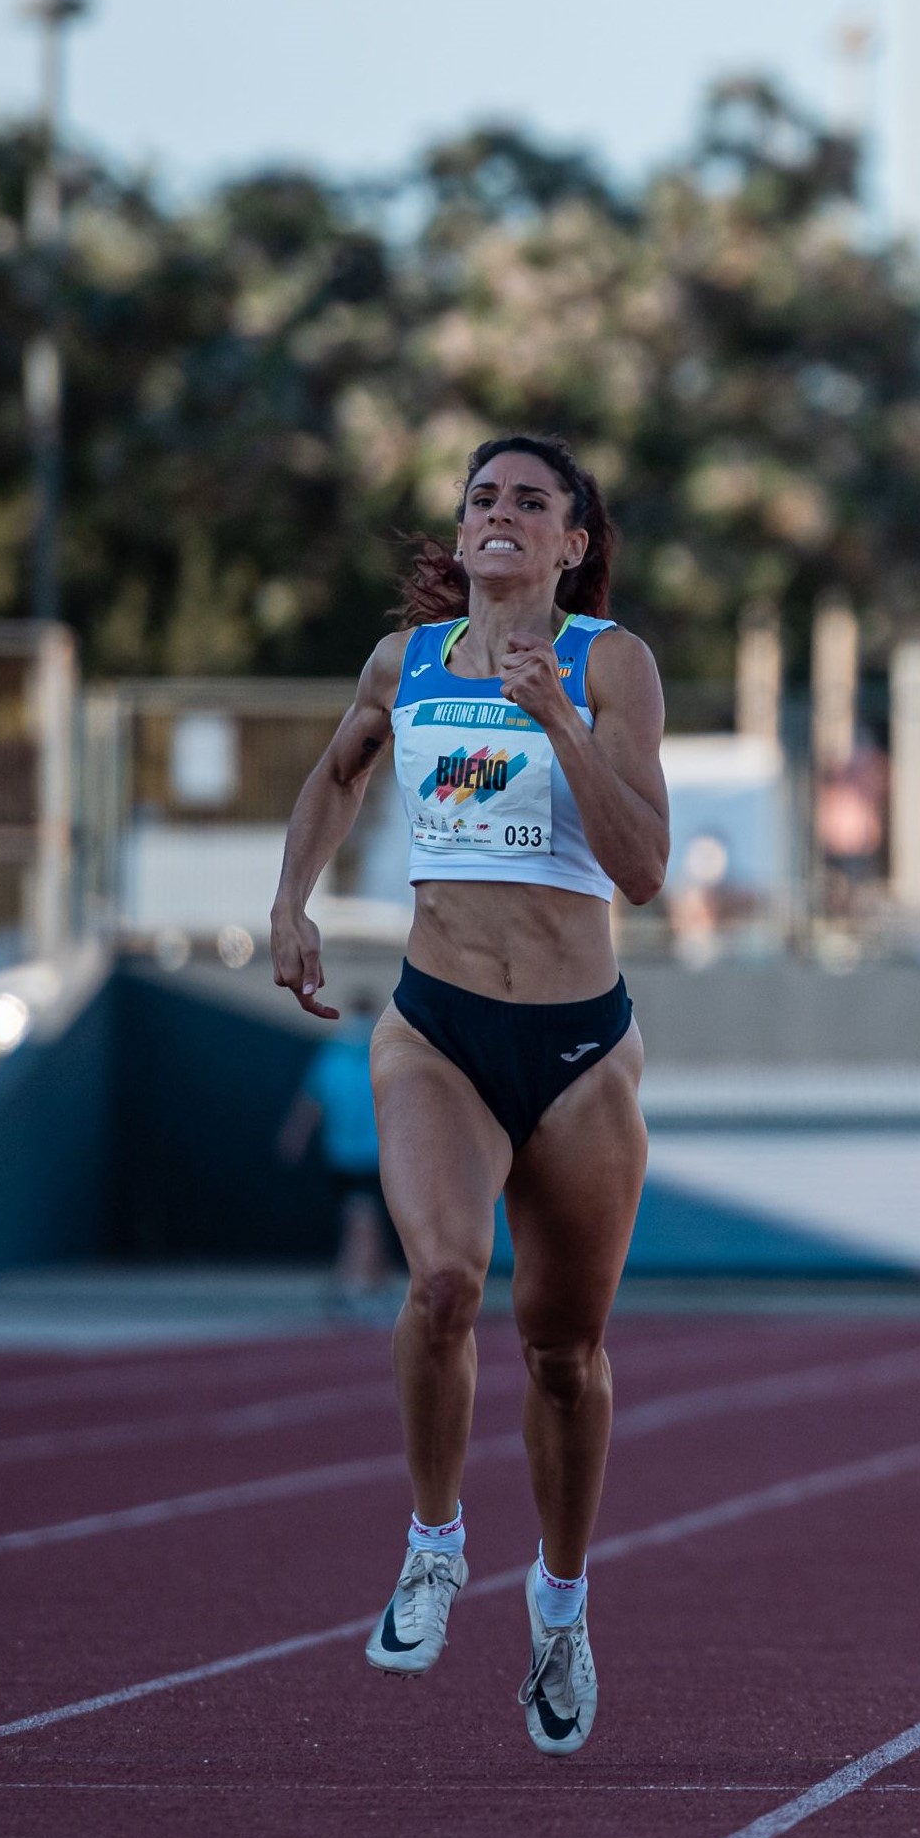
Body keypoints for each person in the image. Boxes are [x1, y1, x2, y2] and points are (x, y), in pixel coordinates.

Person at [269, 433, 670, 1757]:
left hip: (580, 1046)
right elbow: (340, 770)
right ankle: (433, 1543)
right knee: (443, 1283)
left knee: (563, 1353)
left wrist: (558, 718)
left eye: (531, 501)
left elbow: (646, 867)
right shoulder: (407, 662)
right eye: (483, 496)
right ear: (462, 530)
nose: (501, 513)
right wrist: (291, 902)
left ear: (573, 541)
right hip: (435, 1023)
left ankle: (559, 1606)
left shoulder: (610, 662)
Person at [276, 995, 397, 1315]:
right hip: (344, 1154)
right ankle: (367, 1283)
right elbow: (311, 1101)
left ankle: (356, 1282)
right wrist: (295, 1136)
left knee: (363, 1217)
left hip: (376, 1153)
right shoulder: (334, 1056)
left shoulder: (383, 1053)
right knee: (364, 1218)